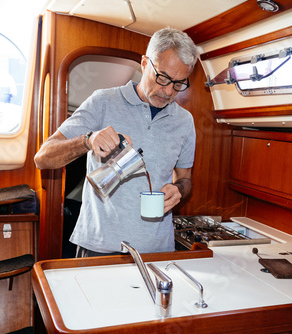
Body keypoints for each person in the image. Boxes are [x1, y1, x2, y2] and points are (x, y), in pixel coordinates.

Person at [34, 27, 198, 257]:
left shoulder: (185, 121)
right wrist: (87, 141)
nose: (169, 91)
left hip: (158, 250)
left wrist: (178, 190)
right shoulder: (103, 101)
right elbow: (43, 158)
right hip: (99, 246)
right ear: (144, 64)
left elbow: (185, 178)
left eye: (179, 83)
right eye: (162, 78)